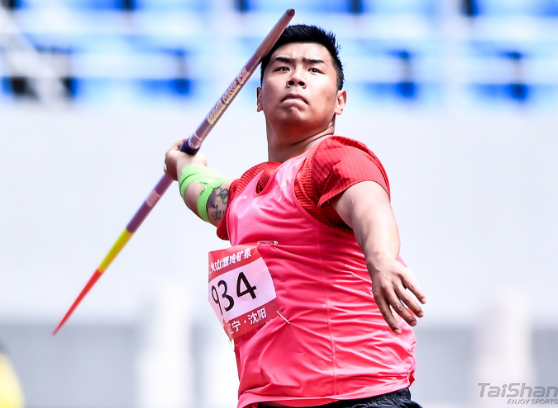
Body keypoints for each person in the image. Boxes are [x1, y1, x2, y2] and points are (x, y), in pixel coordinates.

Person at [164, 25, 427, 408]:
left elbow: (368, 204)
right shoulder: (245, 196)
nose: (297, 77)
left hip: (358, 398)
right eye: (282, 68)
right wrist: (184, 167)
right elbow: (205, 194)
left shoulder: (334, 159)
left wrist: (381, 257)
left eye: (314, 69)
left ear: (339, 101)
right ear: (259, 97)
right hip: (269, 401)